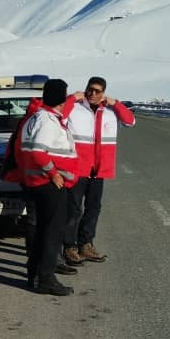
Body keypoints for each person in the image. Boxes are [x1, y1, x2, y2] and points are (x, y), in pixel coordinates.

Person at [62, 76, 136, 265]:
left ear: (104, 93)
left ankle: (86, 244)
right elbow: (60, 116)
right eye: (90, 90)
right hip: (77, 168)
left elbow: (130, 121)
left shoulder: (111, 111)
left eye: (97, 91)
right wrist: (72, 98)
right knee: (74, 209)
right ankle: (69, 246)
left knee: (94, 208)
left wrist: (116, 103)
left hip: (99, 169)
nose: (92, 94)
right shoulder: (76, 107)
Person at [18, 79, 79, 296]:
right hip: (49, 185)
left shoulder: (38, 116)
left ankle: (34, 274)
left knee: (43, 232)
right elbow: (37, 151)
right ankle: (46, 279)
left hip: (36, 184)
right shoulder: (46, 121)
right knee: (51, 234)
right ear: (60, 99)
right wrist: (53, 174)